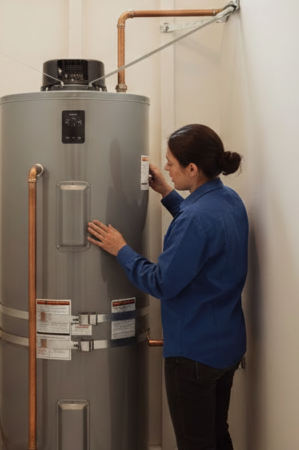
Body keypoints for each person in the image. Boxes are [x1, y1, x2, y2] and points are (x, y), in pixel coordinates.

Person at [87, 123, 248, 450]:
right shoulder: (229, 200)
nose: (167, 168)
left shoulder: (194, 219)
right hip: (226, 346)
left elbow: (161, 282)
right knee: (218, 435)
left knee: (195, 443)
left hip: (193, 355)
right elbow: (202, 233)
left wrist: (121, 249)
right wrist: (167, 193)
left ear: (192, 168)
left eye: (171, 163)